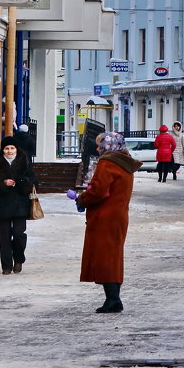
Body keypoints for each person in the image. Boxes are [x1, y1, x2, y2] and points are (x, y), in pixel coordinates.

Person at [67, 131, 141, 313]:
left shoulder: (108, 163)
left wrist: (82, 199)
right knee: (114, 256)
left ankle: (113, 299)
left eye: (101, 145)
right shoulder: (124, 163)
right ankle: (113, 298)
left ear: (109, 145)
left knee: (105, 257)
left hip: (105, 216)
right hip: (119, 215)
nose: (98, 148)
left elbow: (99, 190)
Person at [0, 136, 37, 275]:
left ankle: (19, 259)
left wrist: (20, 181)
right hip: (3, 205)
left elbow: (33, 181)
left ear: (16, 149)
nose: (9, 151)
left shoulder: (25, 161)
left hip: (21, 204)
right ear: (3, 150)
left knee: (19, 234)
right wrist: (3, 183)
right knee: (4, 236)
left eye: (12, 148)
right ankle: (6, 266)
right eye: (7, 148)